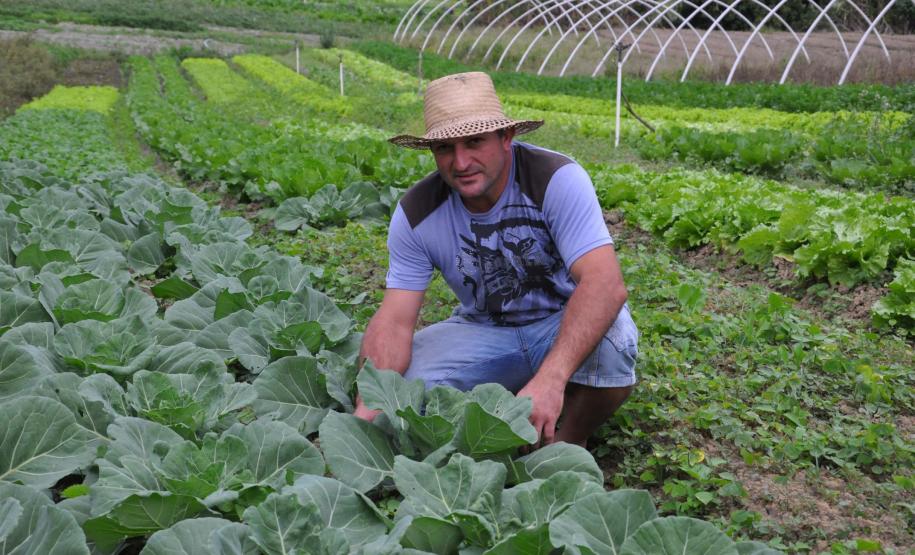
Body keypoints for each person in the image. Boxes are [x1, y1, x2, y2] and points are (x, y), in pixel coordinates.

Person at [354, 71, 638, 449]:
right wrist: (367, 413)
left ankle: (564, 442)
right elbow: (394, 321)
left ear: (506, 138)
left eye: (474, 142)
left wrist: (551, 378)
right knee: (401, 393)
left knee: (614, 338)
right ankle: (518, 402)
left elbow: (605, 284)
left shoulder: (555, 179)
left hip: (560, 321)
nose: (460, 162)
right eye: (445, 148)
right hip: (485, 331)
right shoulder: (417, 212)